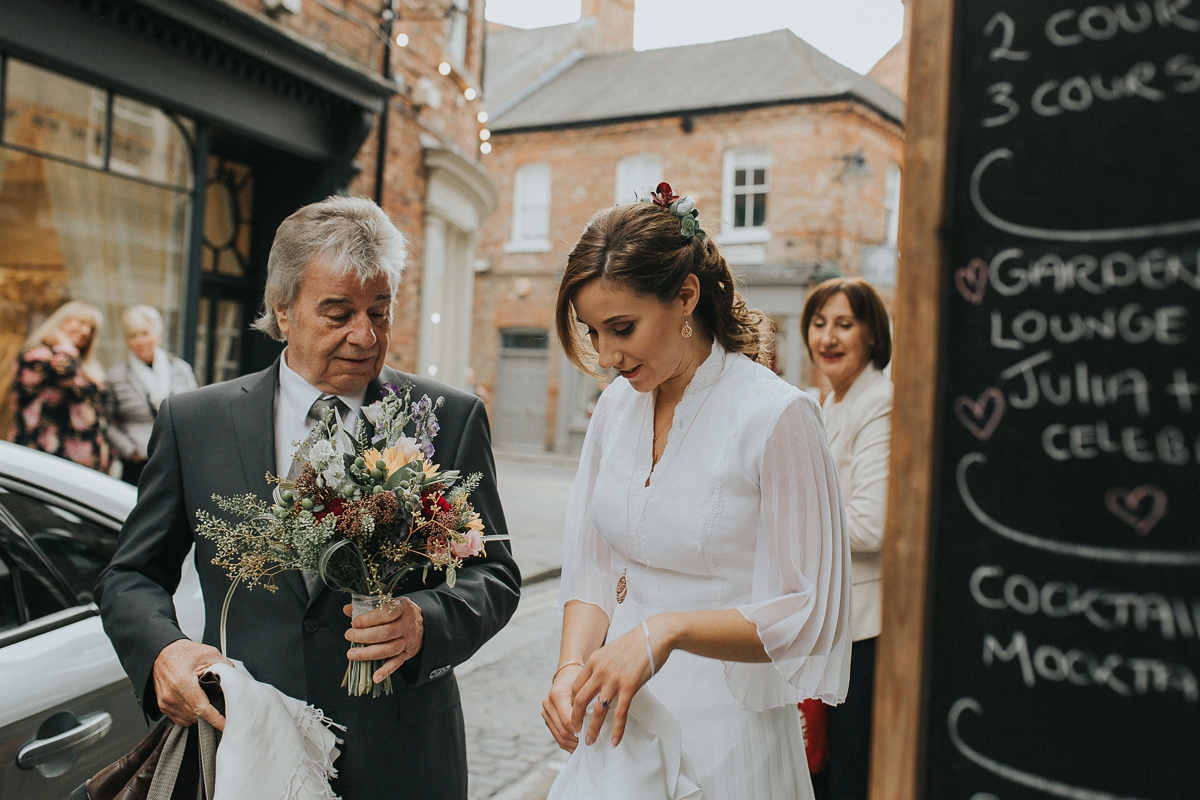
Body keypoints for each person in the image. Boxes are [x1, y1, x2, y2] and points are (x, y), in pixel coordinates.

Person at [94, 196, 521, 799]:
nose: (364, 335)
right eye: (337, 312)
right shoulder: (195, 422)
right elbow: (129, 576)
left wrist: (425, 622)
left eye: (380, 310)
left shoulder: (448, 418)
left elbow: (494, 574)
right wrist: (163, 650)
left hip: (401, 759)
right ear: (283, 310)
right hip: (248, 748)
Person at [541, 185, 851, 799]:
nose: (605, 355)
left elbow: (807, 612)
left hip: (729, 733)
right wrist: (571, 667)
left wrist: (667, 631)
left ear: (686, 297)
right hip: (618, 726)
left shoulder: (778, 415)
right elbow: (596, 566)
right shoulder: (613, 411)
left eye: (621, 328)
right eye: (592, 331)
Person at [802, 277, 893, 800]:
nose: (828, 338)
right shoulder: (831, 403)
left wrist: (790, 518)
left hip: (862, 629)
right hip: (828, 623)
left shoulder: (877, 403)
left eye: (844, 324)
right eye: (818, 324)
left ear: (872, 335)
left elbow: (869, 526)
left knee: (848, 778)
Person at [8, 300, 112, 472]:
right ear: (62, 320)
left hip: (82, 466)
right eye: (81, 322)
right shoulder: (37, 356)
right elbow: (66, 370)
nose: (86, 331)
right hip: (43, 460)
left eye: (91, 328)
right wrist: (64, 343)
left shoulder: (86, 366)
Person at [106, 305, 198, 486]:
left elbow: (195, 413)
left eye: (145, 333)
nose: (139, 340)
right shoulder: (116, 376)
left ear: (158, 335)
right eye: (132, 335)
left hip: (175, 459)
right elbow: (106, 422)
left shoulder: (180, 369)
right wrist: (129, 450)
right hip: (138, 463)